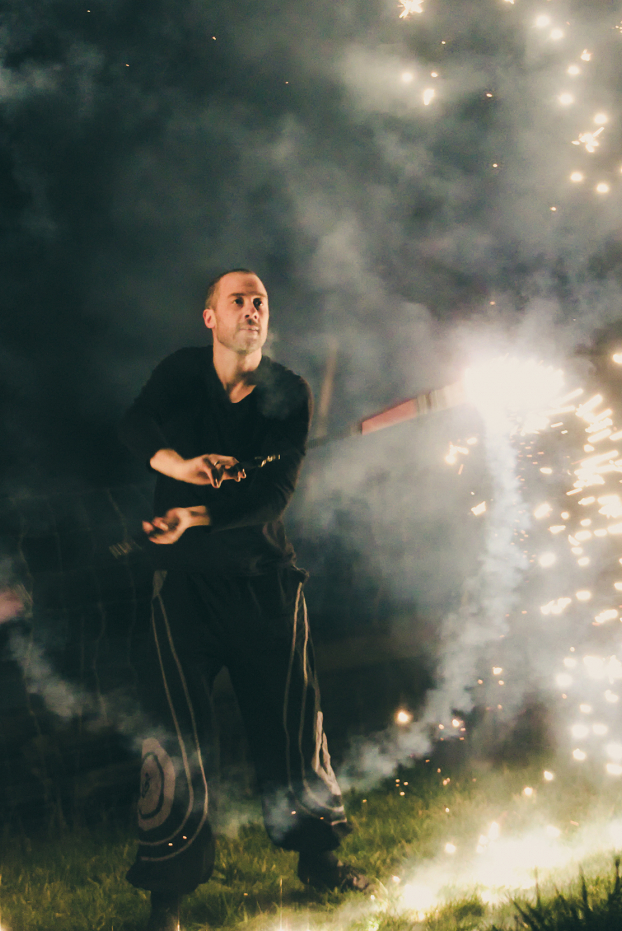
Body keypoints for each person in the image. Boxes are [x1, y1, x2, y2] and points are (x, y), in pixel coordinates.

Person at [118, 269, 370, 931]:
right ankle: (166, 899)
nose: (252, 310)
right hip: (183, 588)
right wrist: (179, 466)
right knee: (175, 736)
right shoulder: (179, 372)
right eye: (238, 300)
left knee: (291, 724)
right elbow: (135, 425)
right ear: (211, 318)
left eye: (260, 302)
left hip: (263, 583)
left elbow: (273, 495)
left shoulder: (287, 392)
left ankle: (318, 862)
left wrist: (196, 515)